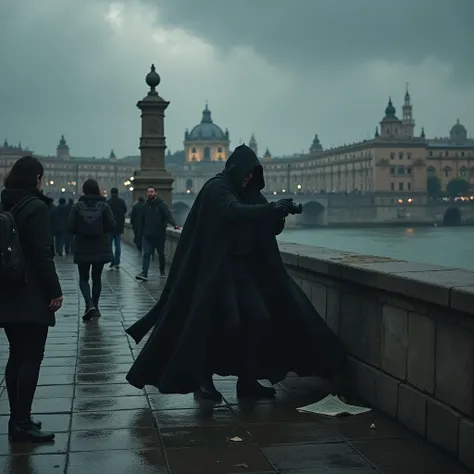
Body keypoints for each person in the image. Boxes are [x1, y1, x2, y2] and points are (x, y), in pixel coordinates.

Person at [125, 144, 346, 401]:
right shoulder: (217, 187)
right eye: (247, 172)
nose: (250, 178)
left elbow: (267, 225)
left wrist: (280, 213)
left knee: (259, 318)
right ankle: (203, 378)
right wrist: (270, 209)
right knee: (219, 323)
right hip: (213, 272)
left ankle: (248, 379)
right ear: (235, 168)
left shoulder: (247, 191)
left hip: (241, 271)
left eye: (254, 174)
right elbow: (231, 211)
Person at [0, 156, 63, 442]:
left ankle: (17, 419)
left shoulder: (5, 202)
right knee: (32, 357)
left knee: (16, 354)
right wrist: (54, 291)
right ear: (37, 178)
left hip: (7, 288)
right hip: (31, 292)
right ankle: (22, 422)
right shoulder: (36, 207)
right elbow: (42, 254)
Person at [67, 179, 116, 320]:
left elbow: (70, 227)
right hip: (99, 245)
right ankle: (96, 306)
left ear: (84, 190)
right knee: (96, 278)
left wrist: (81, 231)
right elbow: (112, 226)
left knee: (83, 278)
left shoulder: (77, 206)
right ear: (97, 189)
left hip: (82, 245)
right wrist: (101, 230)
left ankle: (89, 304)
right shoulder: (104, 206)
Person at [135, 186, 179, 281]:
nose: (150, 193)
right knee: (146, 254)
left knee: (161, 254)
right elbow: (141, 221)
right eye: (148, 192)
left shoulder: (162, 205)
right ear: (147, 193)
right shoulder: (145, 206)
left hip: (159, 234)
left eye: (152, 192)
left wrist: (175, 224)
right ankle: (144, 273)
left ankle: (162, 271)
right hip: (147, 235)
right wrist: (139, 234)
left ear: (155, 193)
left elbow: (168, 215)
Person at [106, 187, 127, 270]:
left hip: (110, 227)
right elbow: (125, 211)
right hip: (118, 227)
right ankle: (117, 262)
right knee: (118, 245)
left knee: (109, 246)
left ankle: (113, 260)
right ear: (118, 193)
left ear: (111, 193)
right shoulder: (121, 202)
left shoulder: (108, 202)